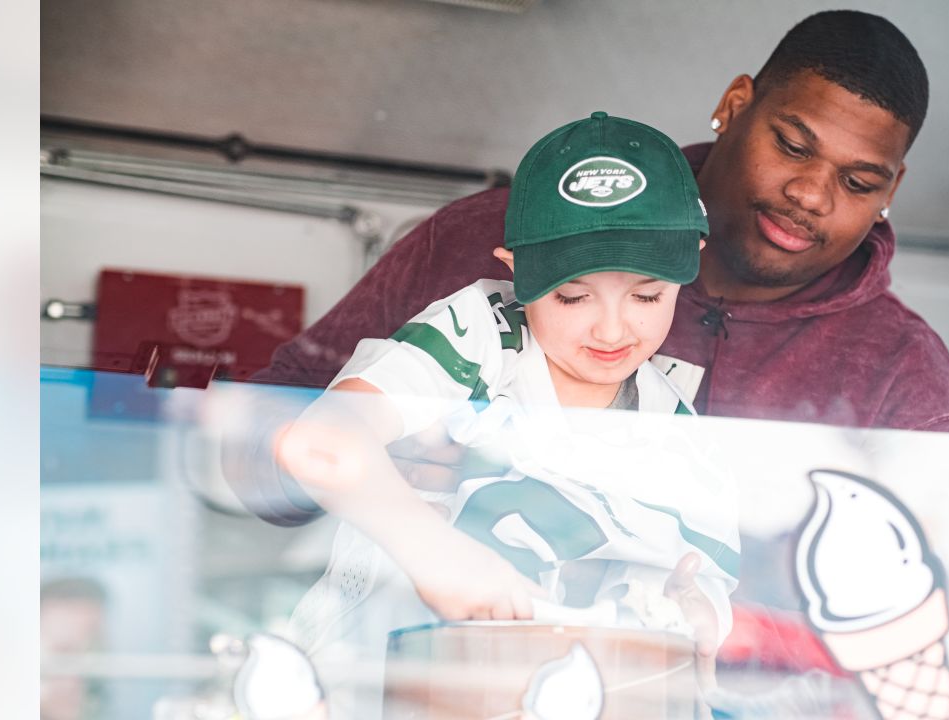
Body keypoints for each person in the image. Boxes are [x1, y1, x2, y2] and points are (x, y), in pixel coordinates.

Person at [252, 10, 949, 438]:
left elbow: (944, 603)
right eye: (793, 146)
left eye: (860, 182)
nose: (813, 195)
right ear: (735, 107)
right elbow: (260, 447)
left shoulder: (905, 379)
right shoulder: (482, 239)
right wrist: (393, 457)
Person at [276, 112, 739, 677]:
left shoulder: (675, 423)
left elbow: (705, 583)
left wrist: (696, 614)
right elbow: (321, 442)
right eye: (573, 296)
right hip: (369, 679)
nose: (613, 331)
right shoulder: (481, 339)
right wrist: (433, 552)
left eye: (647, 297)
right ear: (516, 273)